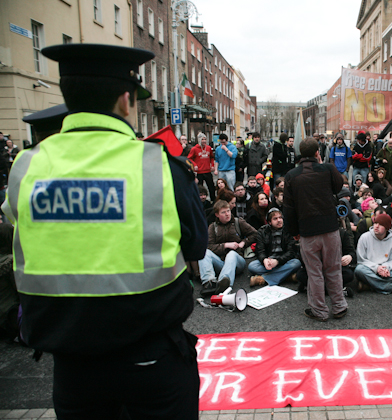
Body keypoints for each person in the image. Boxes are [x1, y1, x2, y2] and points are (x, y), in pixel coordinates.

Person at [2, 43, 207, 420]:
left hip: (71, 365)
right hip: (150, 359)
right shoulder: (159, 165)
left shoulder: (25, 168)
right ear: (126, 101)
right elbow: (195, 244)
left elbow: (21, 227)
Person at [284, 137, 347, 321]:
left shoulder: (292, 175)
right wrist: (322, 164)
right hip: (329, 226)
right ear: (317, 152)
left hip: (307, 230)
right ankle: (339, 306)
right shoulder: (327, 169)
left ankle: (319, 310)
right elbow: (338, 186)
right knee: (333, 268)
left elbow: (288, 208)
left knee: (315, 272)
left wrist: (294, 231)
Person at [199, 200, 257, 297]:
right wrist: (225, 245)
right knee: (204, 252)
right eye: (223, 212)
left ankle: (223, 283)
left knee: (231, 254)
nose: (227, 214)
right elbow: (209, 246)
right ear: (217, 215)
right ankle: (209, 283)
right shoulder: (213, 227)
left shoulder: (238, 222)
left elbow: (255, 234)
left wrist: (244, 242)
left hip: (238, 261)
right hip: (221, 262)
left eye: (228, 211)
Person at [354, 213, 392, 294]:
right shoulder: (364, 237)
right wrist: (377, 268)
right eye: (376, 223)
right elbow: (361, 260)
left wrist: (386, 268)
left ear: (387, 228)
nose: (376, 226)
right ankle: (389, 287)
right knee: (359, 270)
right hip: (369, 269)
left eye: (380, 225)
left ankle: (369, 285)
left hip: (385, 270)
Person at [248, 208, 301, 287]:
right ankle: (286, 276)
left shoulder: (288, 230)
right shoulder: (262, 231)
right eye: (275, 219)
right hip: (269, 260)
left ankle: (263, 279)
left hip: (283, 261)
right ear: (269, 222)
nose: (279, 220)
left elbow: (291, 252)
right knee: (252, 266)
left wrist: (277, 261)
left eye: (280, 218)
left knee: (296, 263)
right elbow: (260, 250)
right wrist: (264, 260)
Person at [188, 133, 216, 201]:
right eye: (202, 139)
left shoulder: (209, 148)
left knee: (211, 187)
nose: (204, 141)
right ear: (199, 140)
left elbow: (212, 157)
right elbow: (189, 158)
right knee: (199, 188)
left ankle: (213, 200)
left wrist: (212, 165)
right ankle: (199, 201)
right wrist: (194, 165)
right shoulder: (194, 149)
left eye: (205, 139)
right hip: (199, 172)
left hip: (208, 171)